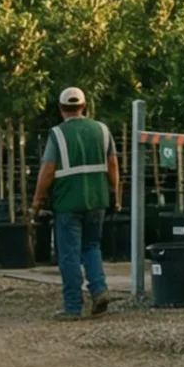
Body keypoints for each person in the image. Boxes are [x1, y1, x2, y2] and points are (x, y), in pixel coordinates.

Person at [28, 86, 120, 321]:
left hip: (67, 202)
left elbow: (48, 170)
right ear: (84, 106)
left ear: (61, 108)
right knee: (92, 246)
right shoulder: (102, 130)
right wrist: (115, 193)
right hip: (97, 200)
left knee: (69, 254)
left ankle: (72, 306)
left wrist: (37, 200)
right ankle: (99, 290)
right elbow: (113, 164)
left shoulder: (57, 134)